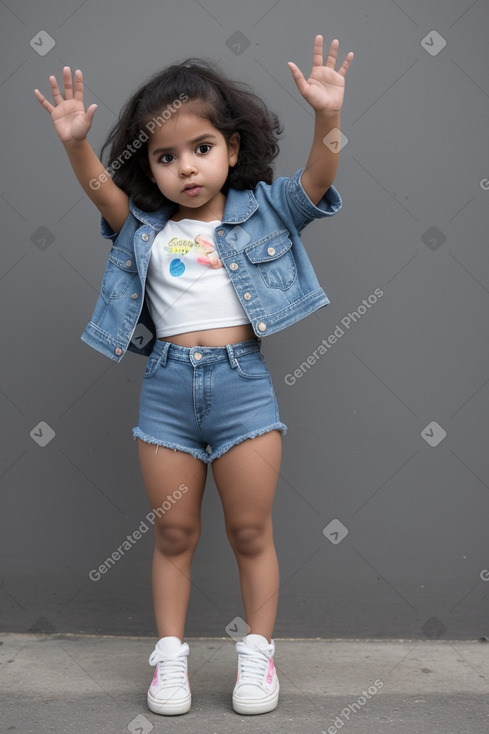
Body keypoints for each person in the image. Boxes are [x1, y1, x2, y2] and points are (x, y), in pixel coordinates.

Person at [34, 35, 353, 716]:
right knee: (174, 534)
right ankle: (170, 660)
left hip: (242, 388)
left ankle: (257, 656)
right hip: (169, 391)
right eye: (166, 156)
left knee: (249, 532)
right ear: (149, 169)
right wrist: (74, 145)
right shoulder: (142, 226)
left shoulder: (265, 210)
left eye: (201, 148)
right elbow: (100, 191)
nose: (186, 167)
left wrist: (328, 118)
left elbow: (319, 181)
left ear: (232, 149)